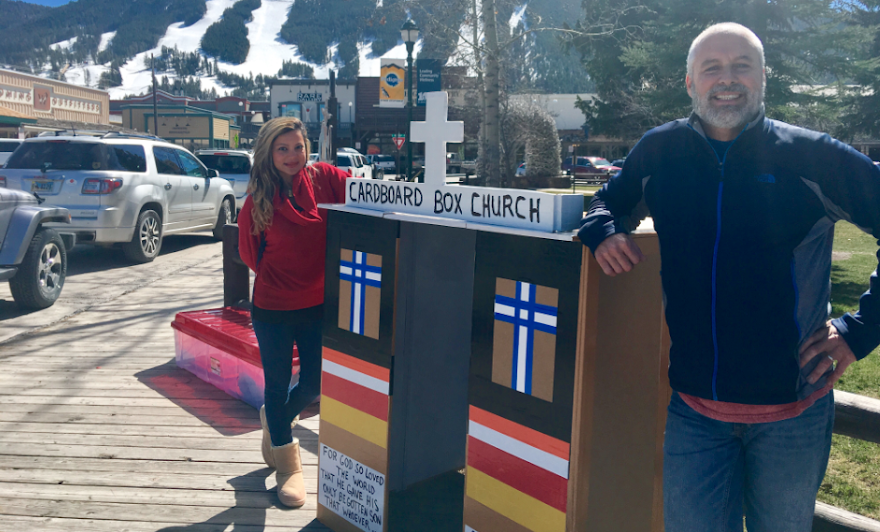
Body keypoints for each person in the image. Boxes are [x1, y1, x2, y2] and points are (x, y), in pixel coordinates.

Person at [578, 23, 880, 532]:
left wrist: (860, 329)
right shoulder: (659, 151)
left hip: (793, 412)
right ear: (690, 81)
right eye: (712, 67)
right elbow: (609, 198)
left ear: (764, 76)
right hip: (695, 413)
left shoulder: (812, 156)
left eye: (742, 65)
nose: (727, 79)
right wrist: (603, 231)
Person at [238, 117, 349, 508]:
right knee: (278, 379)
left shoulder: (324, 179)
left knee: (315, 383)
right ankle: (288, 465)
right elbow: (251, 257)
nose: (291, 156)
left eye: (298, 147)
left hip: (317, 304)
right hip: (273, 308)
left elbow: (367, 194)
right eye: (282, 148)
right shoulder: (257, 200)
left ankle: (277, 418)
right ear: (269, 152)